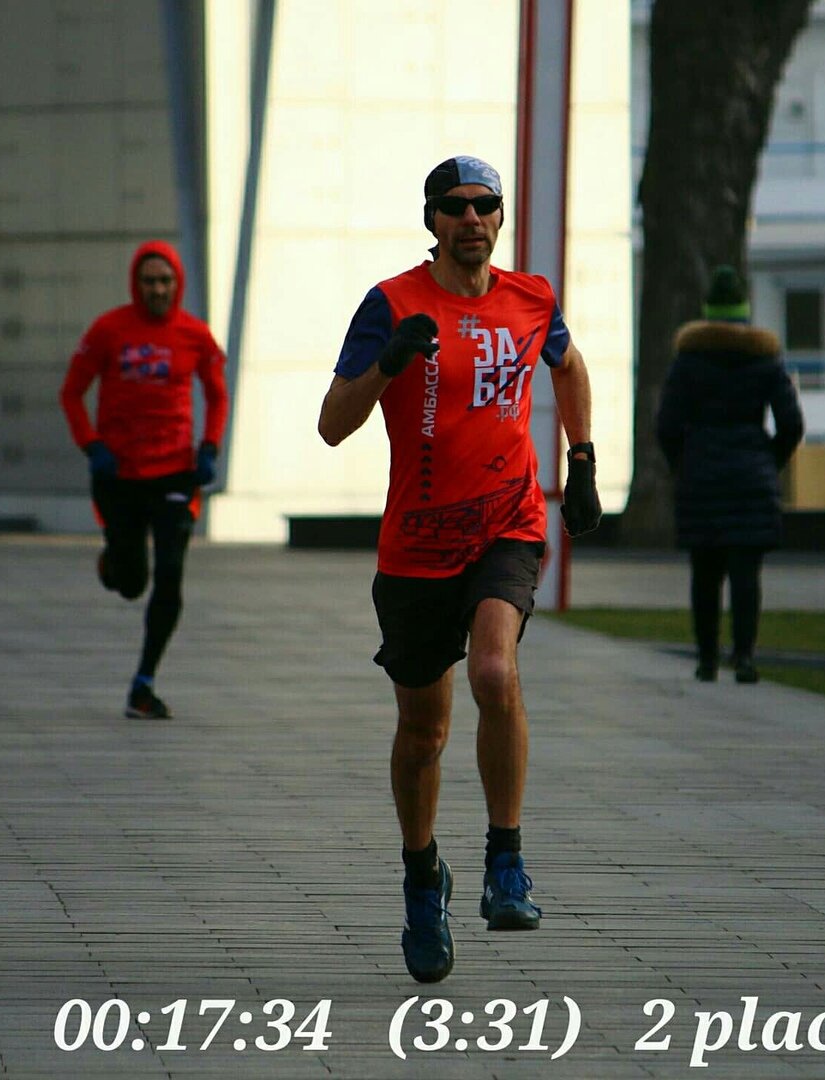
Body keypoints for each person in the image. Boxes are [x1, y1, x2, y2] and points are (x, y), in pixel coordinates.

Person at [318, 155, 602, 983]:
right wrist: (387, 366)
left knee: (494, 672)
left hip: (505, 526)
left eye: (486, 206)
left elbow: (570, 366)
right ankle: (420, 879)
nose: (471, 219)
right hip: (415, 549)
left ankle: (505, 861)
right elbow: (334, 424)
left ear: (500, 219)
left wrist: (580, 459)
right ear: (433, 221)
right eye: (455, 207)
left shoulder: (532, 298)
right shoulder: (391, 304)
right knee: (423, 733)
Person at [60, 240, 228, 720]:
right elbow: (71, 393)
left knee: (171, 576)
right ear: (135, 284)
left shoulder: (196, 336)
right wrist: (92, 446)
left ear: (178, 285)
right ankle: (113, 563)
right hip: (119, 476)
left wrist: (210, 447)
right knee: (133, 583)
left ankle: (144, 682)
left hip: (175, 474)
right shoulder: (108, 330)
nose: (157, 289)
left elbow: (217, 396)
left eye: (165, 281)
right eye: (148, 281)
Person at [656, 264, 804, 684]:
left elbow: (666, 424)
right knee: (745, 573)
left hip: (701, 474)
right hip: (751, 476)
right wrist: (767, 460)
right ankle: (744, 658)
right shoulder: (766, 359)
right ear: (744, 310)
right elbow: (791, 423)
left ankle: (706, 659)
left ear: (708, 311)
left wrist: (682, 463)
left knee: (704, 572)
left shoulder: (688, 361)